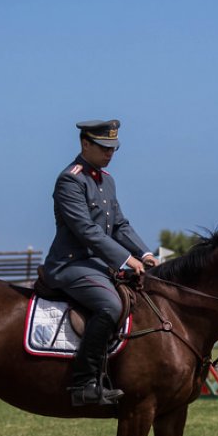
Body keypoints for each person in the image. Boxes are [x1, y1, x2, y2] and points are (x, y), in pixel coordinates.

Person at [43, 119, 158, 405]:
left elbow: (119, 225)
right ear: (85, 144)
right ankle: (84, 383)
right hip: (71, 265)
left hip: (98, 266)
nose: (110, 154)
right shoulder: (70, 179)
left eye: (113, 148)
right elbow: (86, 230)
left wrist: (144, 253)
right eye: (104, 147)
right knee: (110, 305)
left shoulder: (106, 180)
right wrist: (125, 258)